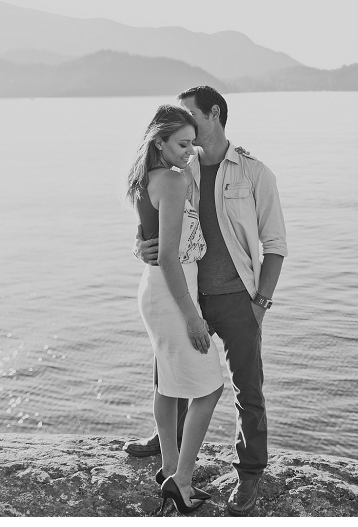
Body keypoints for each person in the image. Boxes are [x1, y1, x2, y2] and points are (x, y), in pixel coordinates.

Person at [129, 86, 287, 516]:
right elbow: (155, 220)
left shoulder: (256, 172)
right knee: (171, 367)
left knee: (246, 388)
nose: (185, 125)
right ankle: (167, 445)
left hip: (238, 298)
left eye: (191, 116)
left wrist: (261, 304)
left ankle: (249, 473)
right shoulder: (182, 165)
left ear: (213, 114)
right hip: (191, 294)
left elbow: (275, 244)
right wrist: (139, 246)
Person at [126, 104, 225, 514]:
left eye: (192, 142)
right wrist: (193, 316)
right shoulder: (170, 180)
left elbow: (147, 238)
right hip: (171, 292)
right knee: (212, 387)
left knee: (167, 385)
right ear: (160, 141)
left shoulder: (145, 178)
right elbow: (167, 256)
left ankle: (169, 466)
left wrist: (138, 245)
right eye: (182, 143)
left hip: (158, 290)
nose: (190, 150)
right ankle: (180, 480)